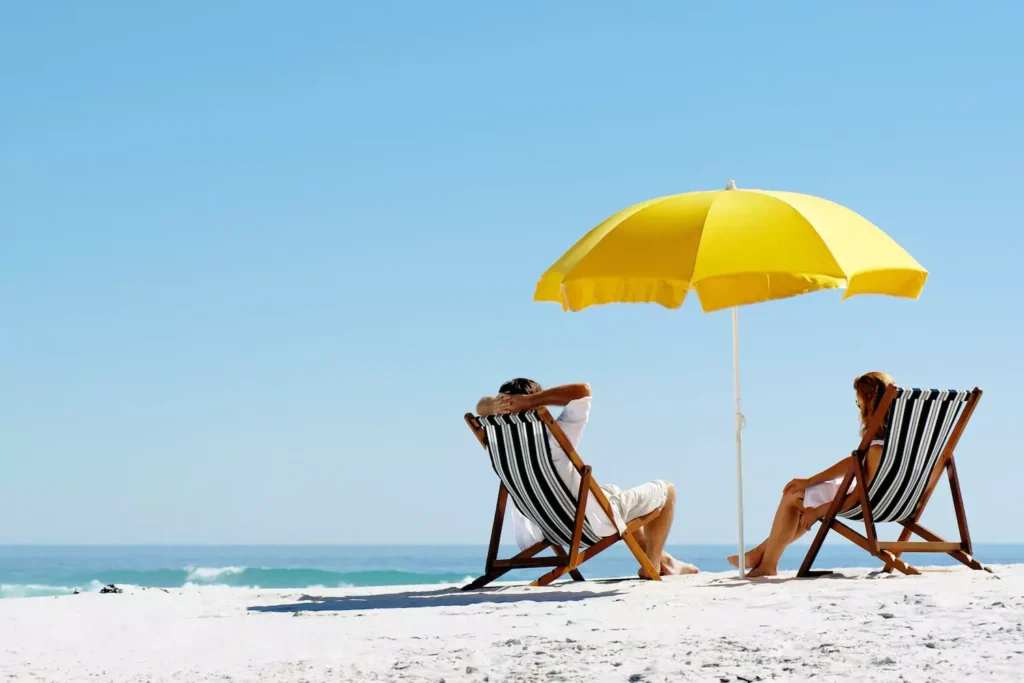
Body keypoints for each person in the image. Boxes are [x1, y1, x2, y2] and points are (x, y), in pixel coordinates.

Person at [476, 378, 698, 577]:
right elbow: (583, 390)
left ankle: (667, 561)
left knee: (612, 495)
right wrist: (530, 401)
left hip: (548, 528)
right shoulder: (555, 434)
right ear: (537, 405)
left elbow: (479, 406)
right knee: (667, 490)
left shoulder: (497, 443)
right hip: (586, 525)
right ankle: (652, 564)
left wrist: (498, 404)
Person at [728, 371, 896, 577]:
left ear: (869, 401)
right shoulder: (894, 441)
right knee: (799, 494)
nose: (857, 406)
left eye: (858, 402)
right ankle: (761, 554)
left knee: (792, 497)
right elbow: (855, 462)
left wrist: (820, 511)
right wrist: (809, 481)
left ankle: (767, 563)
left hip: (866, 503)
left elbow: (859, 496)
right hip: (892, 499)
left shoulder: (877, 450)